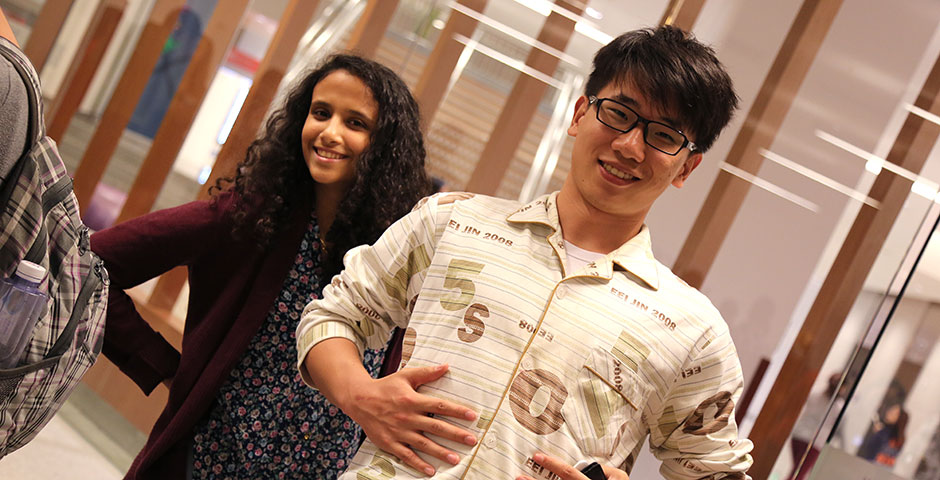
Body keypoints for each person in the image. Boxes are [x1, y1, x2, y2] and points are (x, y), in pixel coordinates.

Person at [297, 26, 753, 480]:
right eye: (618, 113)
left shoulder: (692, 330)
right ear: (580, 115)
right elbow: (332, 316)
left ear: (686, 167)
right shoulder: (451, 221)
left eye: (664, 136)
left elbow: (720, 474)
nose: (630, 146)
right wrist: (360, 394)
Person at [90, 54, 430, 479]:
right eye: (320, 113)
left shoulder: (398, 251)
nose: (330, 132)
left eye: (355, 123)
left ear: (385, 145)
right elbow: (89, 262)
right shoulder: (251, 217)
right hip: (211, 464)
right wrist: (163, 366)